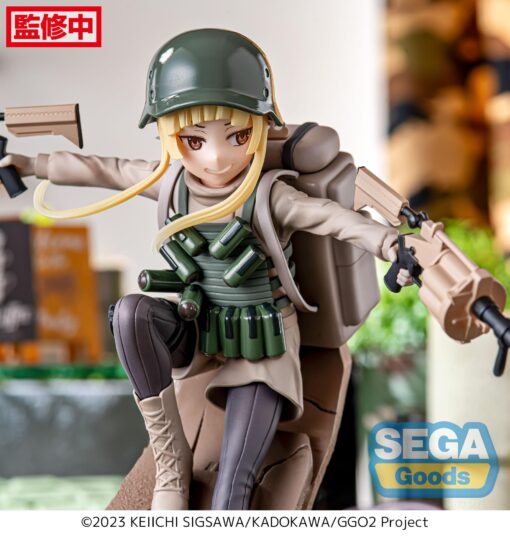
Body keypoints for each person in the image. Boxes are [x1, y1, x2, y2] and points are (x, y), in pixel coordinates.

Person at [0, 29, 412, 510]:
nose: (215, 157)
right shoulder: (173, 182)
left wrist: (391, 243)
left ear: (259, 127)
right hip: (200, 333)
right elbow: (107, 169)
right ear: (170, 135)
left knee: (233, 485)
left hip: (262, 348)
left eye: (237, 136)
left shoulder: (269, 195)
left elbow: (334, 219)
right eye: (193, 140)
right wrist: (31, 163)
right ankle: (170, 462)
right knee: (130, 314)